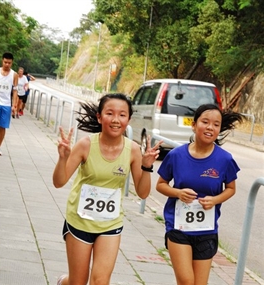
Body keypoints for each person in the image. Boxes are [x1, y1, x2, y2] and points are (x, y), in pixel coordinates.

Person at [53, 93, 162, 285]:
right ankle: (64, 282)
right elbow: (59, 182)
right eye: (110, 113)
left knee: (100, 281)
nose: (115, 120)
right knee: (78, 282)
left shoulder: (133, 149)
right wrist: (63, 158)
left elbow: (143, 193)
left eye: (122, 115)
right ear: (99, 117)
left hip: (110, 223)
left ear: (128, 119)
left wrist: (146, 167)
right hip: (80, 221)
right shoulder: (86, 145)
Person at [156, 104, 244, 285]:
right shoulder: (176, 155)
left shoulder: (225, 159)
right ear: (194, 125)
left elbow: (231, 188)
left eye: (216, 124)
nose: (210, 127)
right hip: (178, 226)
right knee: (187, 281)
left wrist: (215, 200)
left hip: (206, 230)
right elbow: (161, 185)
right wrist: (178, 193)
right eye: (205, 122)